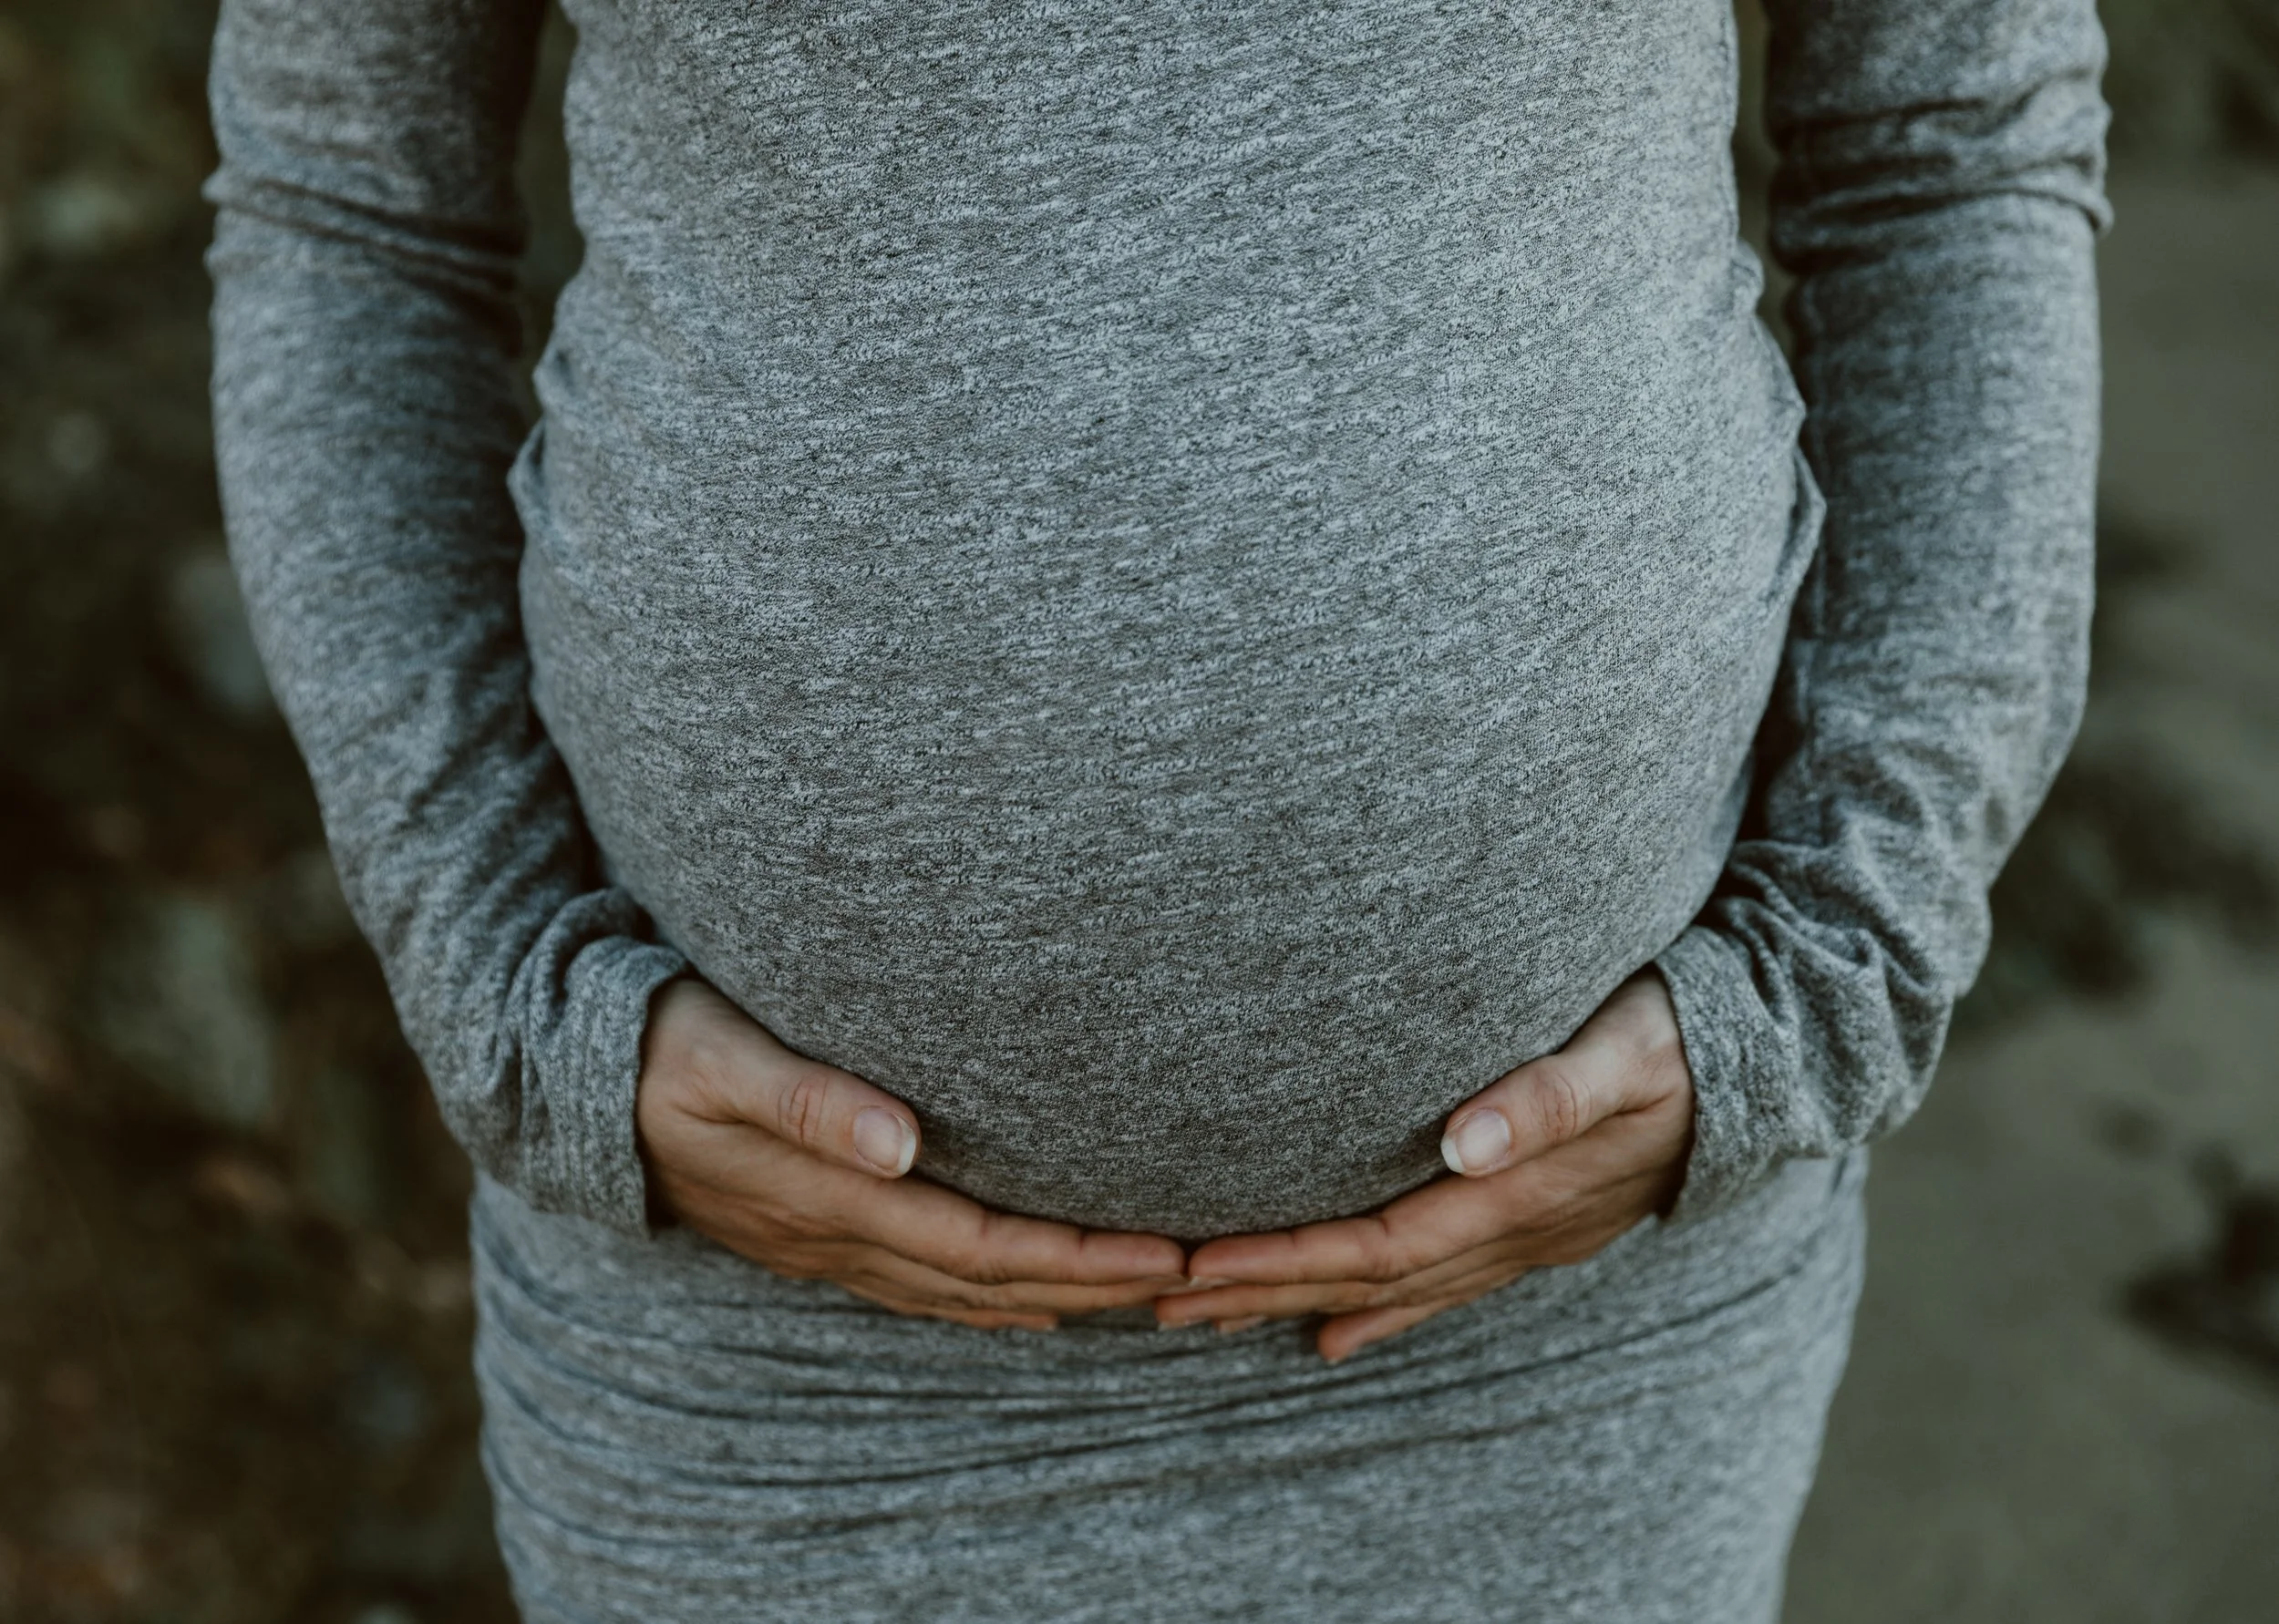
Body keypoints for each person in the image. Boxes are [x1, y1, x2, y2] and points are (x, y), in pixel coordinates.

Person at [202, 0, 2110, 1618]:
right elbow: (347, 207)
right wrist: (516, 995)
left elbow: (1949, 155)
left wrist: (1826, 976)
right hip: (762, 1386)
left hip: (1572, 1346)